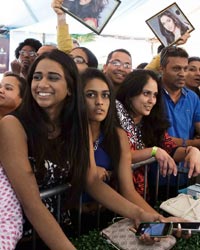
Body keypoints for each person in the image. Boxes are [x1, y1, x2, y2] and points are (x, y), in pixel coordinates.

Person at [0, 49, 164, 249]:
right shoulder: (13, 125)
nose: (42, 84)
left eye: (53, 78)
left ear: (70, 87)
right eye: (37, 77)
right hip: (22, 237)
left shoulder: (78, 125)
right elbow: (32, 203)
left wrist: (140, 214)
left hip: (64, 228)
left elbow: (92, 181)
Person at [116, 69, 200, 199]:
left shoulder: (152, 122)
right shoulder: (114, 119)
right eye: (146, 94)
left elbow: (170, 148)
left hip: (142, 195)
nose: (152, 100)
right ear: (130, 93)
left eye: (155, 95)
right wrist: (154, 151)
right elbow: (122, 155)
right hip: (113, 195)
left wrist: (191, 151)